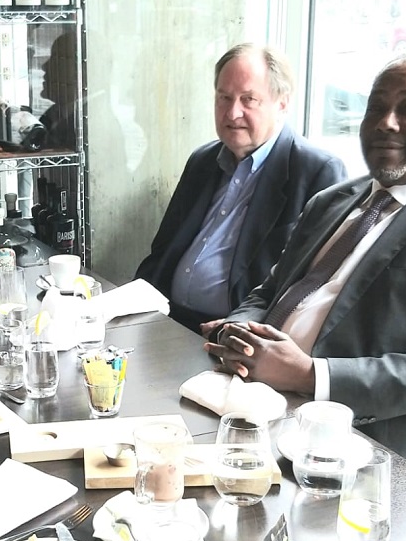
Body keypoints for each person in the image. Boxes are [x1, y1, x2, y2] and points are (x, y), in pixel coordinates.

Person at [206, 53, 406, 500]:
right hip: (260, 407)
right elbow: (270, 291)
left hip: (371, 450)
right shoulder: (331, 201)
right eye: (376, 107)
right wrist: (239, 330)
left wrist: (309, 375)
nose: (385, 123)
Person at [135, 43, 348, 335]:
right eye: (224, 98)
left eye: (249, 99)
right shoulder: (203, 160)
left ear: (282, 103)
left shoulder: (316, 171)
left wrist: (239, 328)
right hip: (165, 321)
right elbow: (161, 252)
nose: (232, 113)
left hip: (234, 336)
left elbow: (312, 285)